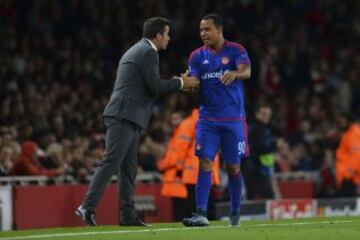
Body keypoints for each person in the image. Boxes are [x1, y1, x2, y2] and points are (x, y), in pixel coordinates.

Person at [75, 17, 199, 227]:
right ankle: (87, 206)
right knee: (112, 161)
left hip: (129, 116)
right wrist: (180, 83)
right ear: (158, 35)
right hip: (124, 115)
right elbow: (154, 86)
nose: (169, 38)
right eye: (167, 34)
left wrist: (180, 83)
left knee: (128, 169)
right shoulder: (148, 52)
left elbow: (147, 84)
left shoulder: (138, 50)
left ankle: (128, 215)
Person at [182, 14, 251, 227]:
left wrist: (234, 74)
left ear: (219, 30)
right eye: (201, 30)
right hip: (208, 120)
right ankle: (201, 213)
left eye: (207, 29)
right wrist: (187, 85)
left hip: (233, 120)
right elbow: (194, 87)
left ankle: (235, 213)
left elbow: (246, 71)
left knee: (233, 167)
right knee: (204, 162)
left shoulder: (236, 50)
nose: (203, 33)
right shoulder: (196, 56)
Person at [157, 109, 220, 221]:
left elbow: (178, 151)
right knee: (205, 211)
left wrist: (165, 166)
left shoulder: (190, 123)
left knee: (193, 211)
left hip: (193, 174)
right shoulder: (212, 123)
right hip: (205, 172)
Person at [242, 102, 278, 200]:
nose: (266, 117)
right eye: (264, 114)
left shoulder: (264, 128)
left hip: (261, 168)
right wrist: (275, 145)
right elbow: (258, 148)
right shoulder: (256, 128)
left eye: (268, 115)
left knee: (259, 196)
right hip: (256, 168)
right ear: (257, 114)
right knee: (265, 197)